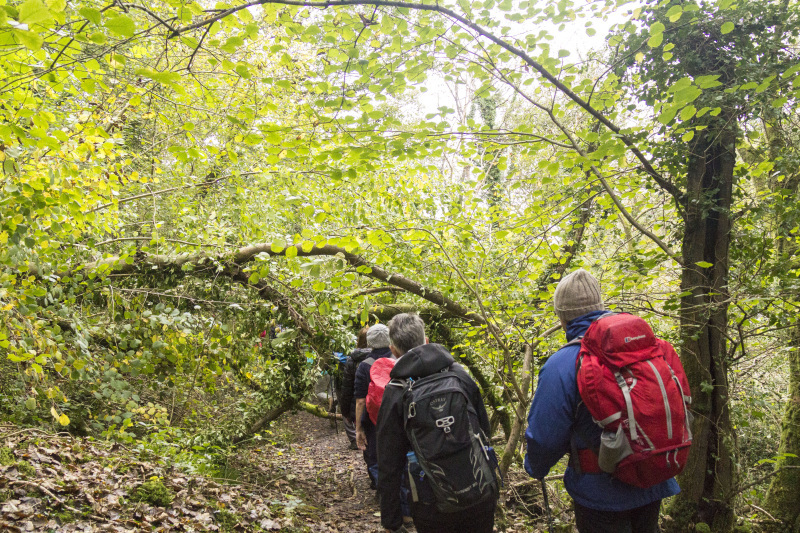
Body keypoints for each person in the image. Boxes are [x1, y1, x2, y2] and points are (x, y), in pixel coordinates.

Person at [524, 269, 680, 533]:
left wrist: (535, 467)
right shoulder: (647, 348)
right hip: (652, 479)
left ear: (562, 317)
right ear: (601, 306)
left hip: (599, 494)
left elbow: (544, 437)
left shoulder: (562, 364)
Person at [376, 313, 496, 533]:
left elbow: (388, 461)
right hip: (479, 491)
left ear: (393, 350)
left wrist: (391, 520)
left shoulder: (396, 391)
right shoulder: (459, 375)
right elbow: (483, 431)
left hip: (430, 501)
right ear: (427, 341)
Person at [354, 324, 394, 487]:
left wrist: (358, 428)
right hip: (397, 416)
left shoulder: (364, 366)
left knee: (375, 456)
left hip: (373, 419)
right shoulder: (399, 360)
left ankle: (384, 491)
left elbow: (360, 401)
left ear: (369, 342)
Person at [339, 326, 371, 450]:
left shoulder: (352, 360)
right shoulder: (384, 357)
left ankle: (355, 440)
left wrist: (345, 411)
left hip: (357, 403)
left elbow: (346, 388)